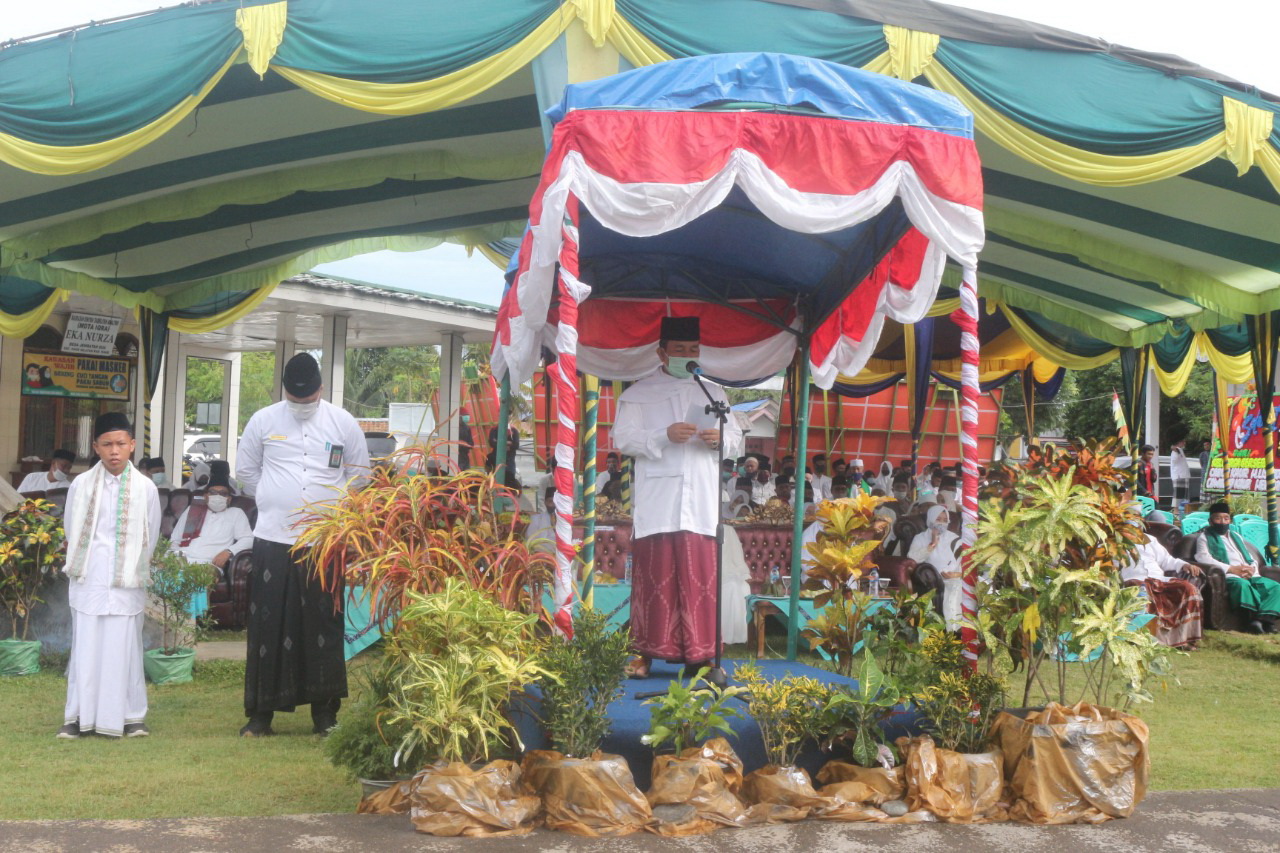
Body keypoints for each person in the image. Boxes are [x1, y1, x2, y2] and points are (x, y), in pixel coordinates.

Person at [236, 353, 371, 736]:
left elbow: (360, 477)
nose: (302, 405)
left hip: (324, 541)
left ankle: (324, 714)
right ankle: (261, 715)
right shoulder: (263, 420)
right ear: (284, 392)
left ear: (321, 389)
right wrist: (273, 497)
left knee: (322, 622)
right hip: (273, 537)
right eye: (296, 400)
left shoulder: (342, 423)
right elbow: (246, 472)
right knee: (268, 624)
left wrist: (334, 511)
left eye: (308, 399)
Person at [612, 316, 743, 677]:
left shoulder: (712, 393)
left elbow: (735, 439)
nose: (687, 356)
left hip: (700, 501)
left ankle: (699, 658)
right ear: (661, 353)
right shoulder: (638, 393)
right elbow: (622, 439)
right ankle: (645, 655)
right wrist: (662, 434)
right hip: (660, 501)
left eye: (693, 350)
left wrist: (723, 440)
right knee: (656, 579)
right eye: (679, 350)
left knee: (700, 577)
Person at [58, 413, 162, 739]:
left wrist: (129, 567)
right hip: (89, 579)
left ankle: (131, 718)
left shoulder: (146, 488)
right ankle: (77, 718)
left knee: (126, 649)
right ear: (96, 447)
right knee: (86, 648)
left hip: (126, 582)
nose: (114, 451)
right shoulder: (81, 484)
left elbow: (152, 534)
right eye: (107, 444)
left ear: (132, 445)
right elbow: (70, 529)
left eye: (120, 444)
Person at [1193, 502, 1280, 633]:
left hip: (1250, 575)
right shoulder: (1204, 537)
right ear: (1210, 521)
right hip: (1231, 576)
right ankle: (1256, 623)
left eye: (1226, 518)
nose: (1222, 522)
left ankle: (1261, 621)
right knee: (1242, 586)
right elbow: (1202, 558)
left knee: (1276, 587)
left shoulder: (1237, 536)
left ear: (1230, 520)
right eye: (1218, 518)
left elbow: (1250, 558)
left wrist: (1251, 570)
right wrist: (1232, 569)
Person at [1119, 530, 1203, 649]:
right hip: (1133, 579)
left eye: (1136, 518)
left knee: (1188, 588)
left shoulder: (1148, 539)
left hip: (1159, 579)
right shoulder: (1112, 540)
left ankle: (1183, 640)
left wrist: (1185, 565)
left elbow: (1167, 560)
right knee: (1141, 591)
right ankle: (1144, 639)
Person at [168, 467, 254, 577]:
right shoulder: (193, 511)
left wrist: (228, 552)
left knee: (200, 579)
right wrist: (172, 558)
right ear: (206, 496)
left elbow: (248, 539)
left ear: (229, 499)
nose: (218, 496)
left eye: (223, 493)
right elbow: (175, 540)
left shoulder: (235, 513)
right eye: (213, 492)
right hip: (182, 559)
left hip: (209, 564)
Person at [907, 505, 962, 629]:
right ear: (930, 519)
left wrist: (958, 574)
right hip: (935, 580)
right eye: (938, 519)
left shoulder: (955, 539)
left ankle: (963, 630)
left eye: (944, 520)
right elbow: (912, 559)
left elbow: (964, 562)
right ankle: (951, 631)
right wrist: (932, 544)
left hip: (956, 577)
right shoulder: (920, 538)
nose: (941, 523)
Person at [524, 487, 556, 555]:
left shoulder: (564, 521)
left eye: (556, 502)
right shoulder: (535, 519)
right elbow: (530, 543)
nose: (553, 505)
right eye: (550, 501)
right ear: (545, 502)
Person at [1169, 438, 1190, 519]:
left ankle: (1183, 511)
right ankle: (1176, 512)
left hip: (1184, 475)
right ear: (1179, 442)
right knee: (1178, 495)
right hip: (1178, 476)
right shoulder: (1175, 451)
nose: (1184, 443)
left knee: (1184, 495)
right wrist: (1175, 450)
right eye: (1183, 441)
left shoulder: (1180, 450)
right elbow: (1174, 460)